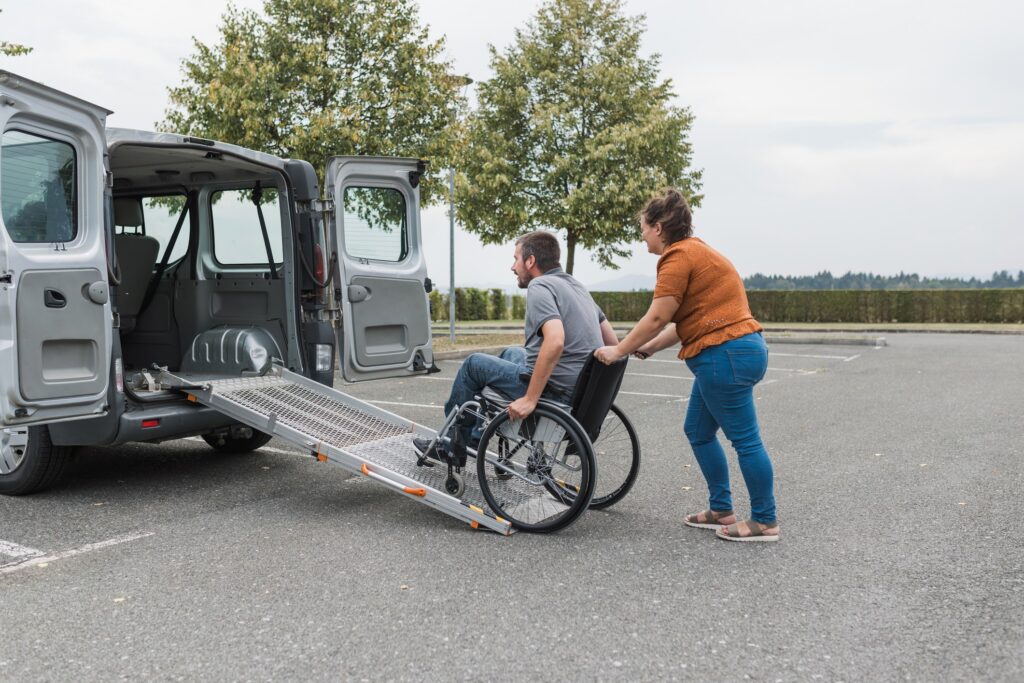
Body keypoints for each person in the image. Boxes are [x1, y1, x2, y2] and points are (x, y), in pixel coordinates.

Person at [595, 188, 780, 542]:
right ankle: (721, 508)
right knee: (698, 430)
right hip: (735, 350)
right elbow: (688, 321)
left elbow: (657, 317)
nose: (642, 234)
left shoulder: (677, 257)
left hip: (725, 355)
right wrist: (649, 347)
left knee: (745, 440)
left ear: (658, 227)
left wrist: (618, 351)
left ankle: (765, 519)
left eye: (643, 227)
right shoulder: (697, 252)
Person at [413, 230, 618, 459]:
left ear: (530, 261)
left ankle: (452, 447)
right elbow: (613, 343)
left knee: (473, 365)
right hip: (581, 392)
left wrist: (530, 399)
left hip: (556, 393)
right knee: (512, 353)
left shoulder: (540, 286)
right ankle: (476, 436)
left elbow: (555, 340)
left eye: (516, 259)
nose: (513, 267)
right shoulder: (577, 287)